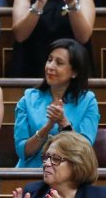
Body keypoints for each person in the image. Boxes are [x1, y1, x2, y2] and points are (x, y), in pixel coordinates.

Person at [14, 39, 99, 168]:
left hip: (70, 176)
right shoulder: (28, 98)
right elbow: (22, 151)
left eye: (59, 63)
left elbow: (84, 151)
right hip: (31, 172)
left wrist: (63, 123)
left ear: (74, 72)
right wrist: (48, 126)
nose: (50, 67)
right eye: (49, 60)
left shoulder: (88, 101)